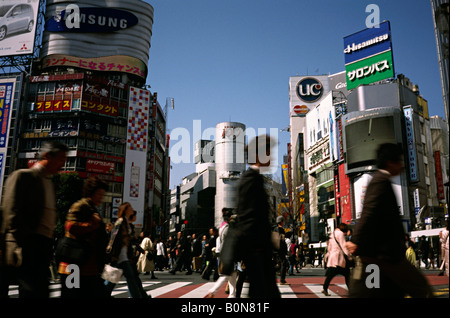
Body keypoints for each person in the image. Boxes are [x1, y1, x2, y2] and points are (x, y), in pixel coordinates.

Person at [346, 143, 433, 298]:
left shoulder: (380, 180)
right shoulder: (380, 181)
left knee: (385, 292)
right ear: (390, 162)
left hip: (383, 256)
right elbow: (368, 213)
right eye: (399, 161)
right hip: (386, 255)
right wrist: (356, 240)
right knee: (421, 289)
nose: (402, 166)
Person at [0, 141, 68, 298]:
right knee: (32, 291)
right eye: (60, 160)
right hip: (25, 246)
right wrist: (24, 241)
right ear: (46, 156)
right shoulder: (23, 176)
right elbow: (10, 212)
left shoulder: (50, 183)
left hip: (43, 248)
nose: (62, 165)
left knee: (38, 291)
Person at [235, 135, 280, 298]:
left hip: (259, 251)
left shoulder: (256, 178)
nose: (271, 157)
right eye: (268, 152)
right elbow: (246, 218)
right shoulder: (250, 179)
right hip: (256, 251)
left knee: (262, 293)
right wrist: (257, 247)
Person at [58, 176, 109, 298]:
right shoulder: (80, 206)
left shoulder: (91, 208)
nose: (101, 198)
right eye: (99, 194)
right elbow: (70, 226)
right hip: (73, 266)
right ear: (91, 192)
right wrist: (92, 224)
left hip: (89, 266)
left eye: (102, 195)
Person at [105, 202, 149, 298]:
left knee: (128, 278)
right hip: (118, 256)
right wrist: (112, 255)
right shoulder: (120, 222)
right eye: (130, 208)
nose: (132, 209)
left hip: (124, 256)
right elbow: (113, 238)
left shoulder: (126, 222)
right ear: (125, 210)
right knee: (117, 279)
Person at [205, 208, 238, 298]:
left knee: (232, 275)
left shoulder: (223, 227)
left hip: (226, 253)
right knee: (227, 274)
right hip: (228, 254)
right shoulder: (227, 228)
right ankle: (213, 291)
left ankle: (232, 295)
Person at [321, 223, 352, 296]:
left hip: (332, 257)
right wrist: (349, 255)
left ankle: (324, 288)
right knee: (347, 275)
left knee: (331, 275)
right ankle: (351, 291)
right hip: (339, 258)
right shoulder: (340, 234)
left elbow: (329, 247)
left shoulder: (332, 234)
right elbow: (343, 245)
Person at [274, 215, 288, 284]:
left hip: (276, 249)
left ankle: (282, 279)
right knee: (284, 263)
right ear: (281, 222)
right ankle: (282, 280)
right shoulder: (281, 230)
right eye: (283, 221)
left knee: (281, 263)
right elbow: (282, 240)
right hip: (281, 249)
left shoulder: (275, 229)